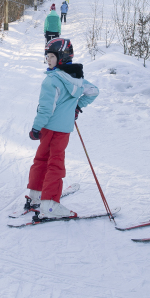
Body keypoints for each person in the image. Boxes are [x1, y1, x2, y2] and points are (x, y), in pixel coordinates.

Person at [25, 38, 99, 219]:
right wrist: (77, 106)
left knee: (46, 161)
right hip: (62, 130)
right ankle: (39, 197)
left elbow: (46, 108)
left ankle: (47, 203)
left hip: (49, 129)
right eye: (47, 57)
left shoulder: (51, 81)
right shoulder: (77, 79)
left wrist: (36, 128)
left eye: (51, 56)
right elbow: (93, 91)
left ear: (62, 57)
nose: (48, 60)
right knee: (51, 162)